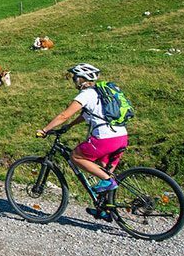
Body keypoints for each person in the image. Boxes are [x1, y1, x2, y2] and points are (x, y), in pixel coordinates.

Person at [35, 63, 127, 195]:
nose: (74, 81)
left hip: (105, 139)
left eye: (75, 78)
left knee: (76, 157)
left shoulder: (86, 94)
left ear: (80, 79)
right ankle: (107, 209)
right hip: (121, 137)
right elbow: (86, 115)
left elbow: (64, 115)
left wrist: (44, 130)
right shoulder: (100, 93)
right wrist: (69, 126)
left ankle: (108, 181)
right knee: (104, 171)